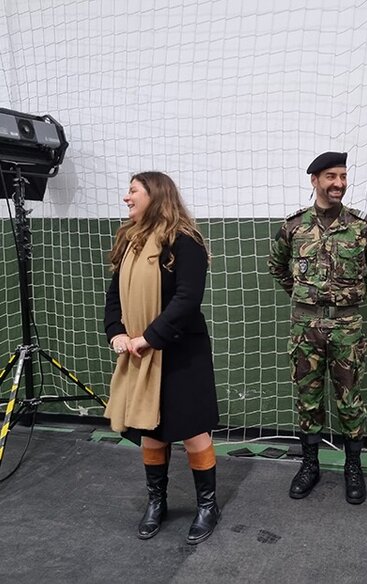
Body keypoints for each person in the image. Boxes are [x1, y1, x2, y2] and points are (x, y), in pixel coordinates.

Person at [103, 171, 220, 545]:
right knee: (150, 431)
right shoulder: (131, 241)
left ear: (155, 195)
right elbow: (113, 297)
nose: (126, 197)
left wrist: (149, 338)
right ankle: (157, 502)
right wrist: (117, 332)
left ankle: (208, 506)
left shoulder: (185, 241)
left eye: (133, 191)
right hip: (141, 350)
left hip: (182, 351)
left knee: (192, 431)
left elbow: (187, 299)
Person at [268, 151, 367, 504]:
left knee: (349, 400)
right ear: (315, 180)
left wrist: (351, 295)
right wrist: (304, 296)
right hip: (305, 325)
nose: (339, 183)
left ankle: (353, 467)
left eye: (343, 176)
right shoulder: (293, 226)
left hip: (346, 325)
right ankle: (310, 465)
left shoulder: (362, 226)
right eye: (331, 177)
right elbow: (277, 266)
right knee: (308, 399)